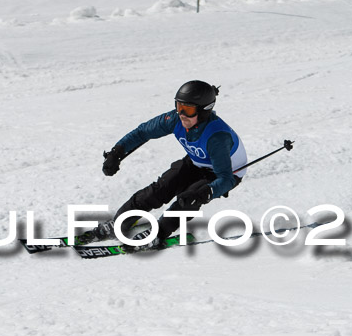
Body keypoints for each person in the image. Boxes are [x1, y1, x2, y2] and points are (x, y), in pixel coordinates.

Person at [80, 80, 248, 250]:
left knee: (188, 199)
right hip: (197, 161)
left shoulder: (217, 137)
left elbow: (226, 179)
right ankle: (118, 224)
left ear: (204, 111)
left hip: (226, 172)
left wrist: (208, 192)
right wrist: (117, 153)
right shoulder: (175, 119)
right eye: (179, 106)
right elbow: (143, 132)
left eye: (188, 109)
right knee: (159, 190)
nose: (181, 113)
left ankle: (158, 234)